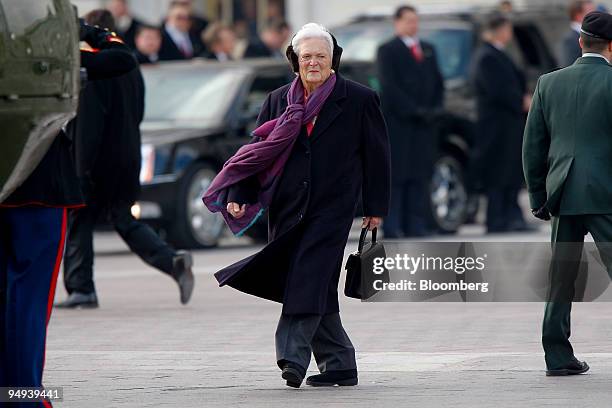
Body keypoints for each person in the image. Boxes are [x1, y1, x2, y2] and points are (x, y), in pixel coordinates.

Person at [203, 23, 390, 388]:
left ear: (333, 60)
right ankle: (340, 363)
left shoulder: (359, 99)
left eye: (321, 56)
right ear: (295, 61)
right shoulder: (277, 100)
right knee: (311, 280)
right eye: (307, 57)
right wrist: (238, 196)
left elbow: (377, 157)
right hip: (287, 206)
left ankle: (292, 355)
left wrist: (375, 206)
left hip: (333, 207)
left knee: (308, 275)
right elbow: (254, 154)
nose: (314, 63)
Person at [0, 20, 137, 407]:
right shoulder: (51, 50)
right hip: (39, 184)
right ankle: (22, 396)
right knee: (28, 298)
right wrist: (84, 29)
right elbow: (122, 58)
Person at [55, 10, 194, 309]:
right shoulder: (130, 66)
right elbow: (139, 111)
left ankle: (81, 289)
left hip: (94, 160)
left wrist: (82, 166)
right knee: (122, 218)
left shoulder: (94, 69)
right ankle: (172, 262)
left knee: (78, 219)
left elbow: (89, 124)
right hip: (128, 154)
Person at [523, 11, 612, 377]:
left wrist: (538, 196)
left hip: (562, 192)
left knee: (561, 277)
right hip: (606, 193)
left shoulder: (548, 83)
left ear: (580, 41)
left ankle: (557, 356)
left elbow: (533, 146)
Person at [377, 5, 444, 238]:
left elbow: (438, 82)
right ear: (397, 23)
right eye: (407, 21)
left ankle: (415, 223)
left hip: (423, 126)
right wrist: (412, 110)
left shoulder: (428, 49)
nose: (412, 25)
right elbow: (390, 87)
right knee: (398, 176)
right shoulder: (387, 50)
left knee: (420, 174)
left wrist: (433, 109)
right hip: (400, 124)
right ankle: (393, 225)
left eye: (415, 21)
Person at [470, 12, 532, 233]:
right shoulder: (487, 56)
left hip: (508, 125)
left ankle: (511, 216)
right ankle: (497, 219)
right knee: (498, 174)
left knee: (510, 172)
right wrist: (521, 100)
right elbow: (497, 90)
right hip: (496, 126)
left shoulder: (500, 54)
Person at [560, 1, 596, 67]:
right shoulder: (571, 39)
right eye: (591, 12)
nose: (595, 15)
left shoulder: (589, 35)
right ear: (578, 15)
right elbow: (569, 67)